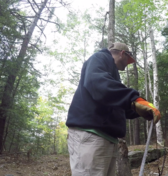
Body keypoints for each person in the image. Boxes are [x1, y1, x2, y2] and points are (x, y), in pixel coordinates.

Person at [65, 42, 161, 176]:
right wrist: (133, 99)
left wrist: (141, 109)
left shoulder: (112, 72)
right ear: (122, 54)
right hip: (90, 134)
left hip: (105, 138)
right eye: (129, 59)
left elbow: (117, 104)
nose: (128, 63)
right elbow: (97, 83)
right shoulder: (100, 58)